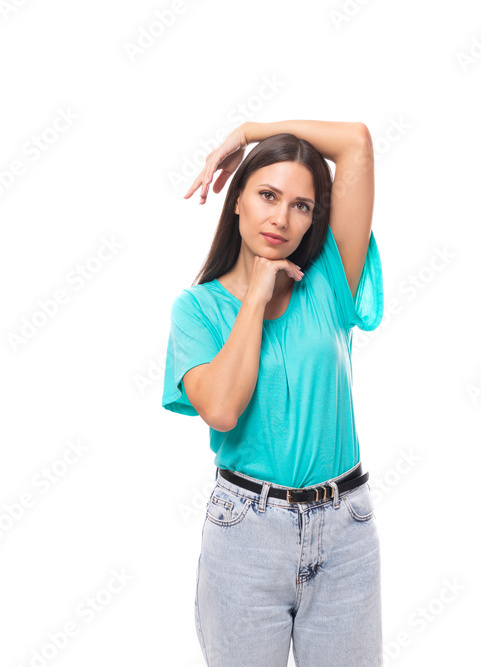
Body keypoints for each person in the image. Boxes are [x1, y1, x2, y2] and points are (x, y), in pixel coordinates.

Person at [162, 120, 384, 666]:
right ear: (236, 199)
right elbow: (221, 409)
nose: (281, 218)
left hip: (346, 532)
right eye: (267, 195)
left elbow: (355, 142)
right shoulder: (198, 310)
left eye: (302, 205)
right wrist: (256, 295)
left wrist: (250, 132)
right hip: (246, 537)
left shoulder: (330, 276)